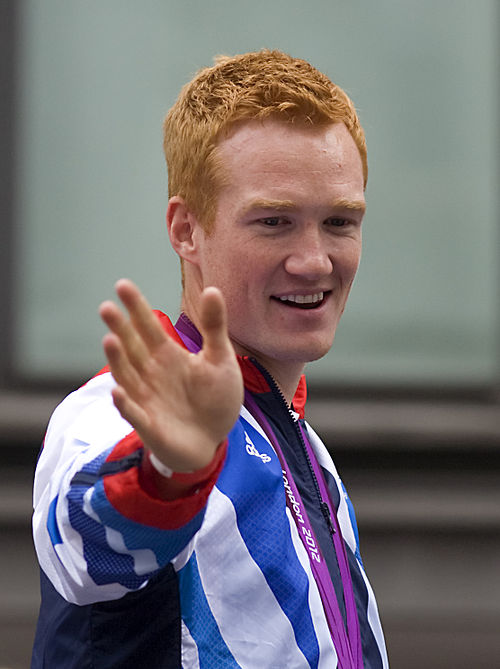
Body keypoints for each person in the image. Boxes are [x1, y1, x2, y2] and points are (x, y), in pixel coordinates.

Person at [31, 49, 389, 668]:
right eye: (274, 222)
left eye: (339, 221)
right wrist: (170, 472)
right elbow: (80, 551)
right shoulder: (121, 408)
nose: (315, 260)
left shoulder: (301, 443)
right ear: (186, 229)